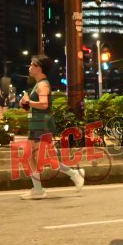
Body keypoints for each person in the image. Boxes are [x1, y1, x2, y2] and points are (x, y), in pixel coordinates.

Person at [19, 55, 85, 199]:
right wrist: (25, 104)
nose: (29, 67)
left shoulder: (42, 85)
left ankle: (72, 175)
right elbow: (37, 106)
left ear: (39, 68)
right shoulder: (38, 84)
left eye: (32, 65)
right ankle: (41, 188)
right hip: (37, 125)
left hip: (41, 126)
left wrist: (29, 102)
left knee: (39, 157)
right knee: (35, 157)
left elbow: (44, 105)